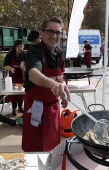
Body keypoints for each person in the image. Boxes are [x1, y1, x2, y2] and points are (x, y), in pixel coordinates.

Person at [22, 16, 71, 152]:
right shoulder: (34, 51)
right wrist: (54, 85)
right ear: (42, 33)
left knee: (53, 148)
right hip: (36, 108)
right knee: (35, 149)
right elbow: (33, 73)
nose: (54, 36)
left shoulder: (59, 53)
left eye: (58, 33)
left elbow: (59, 77)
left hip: (53, 108)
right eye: (50, 31)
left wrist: (62, 94)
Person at [4, 39, 26, 116]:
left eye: (22, 46)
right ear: (15, 47)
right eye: (19, 46)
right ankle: (14, 108)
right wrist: (11, 69)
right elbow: (5, 66)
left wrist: (23, 65)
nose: (21, 48)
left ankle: (20, 107)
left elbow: (26, 63)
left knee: (20, 93)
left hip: (20, 78)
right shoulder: (10, 55)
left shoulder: (24, 54)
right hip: (12, 79)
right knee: (13, 94)